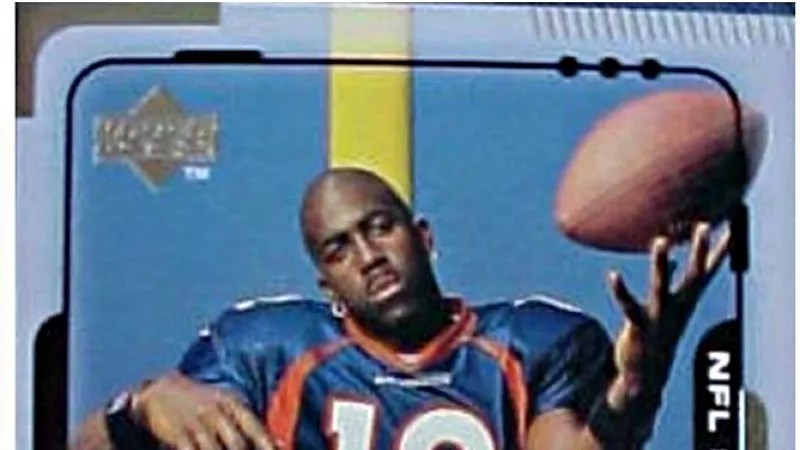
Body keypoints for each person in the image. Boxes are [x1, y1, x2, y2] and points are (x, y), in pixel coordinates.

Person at [71, 167, 729, 450]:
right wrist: (141, 407)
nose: (368, 256)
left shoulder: (529, 342)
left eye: (380, 227)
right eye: (339, 249)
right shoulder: (266, 351)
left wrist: (638, 387)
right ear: (326, 283)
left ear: (424, 236)